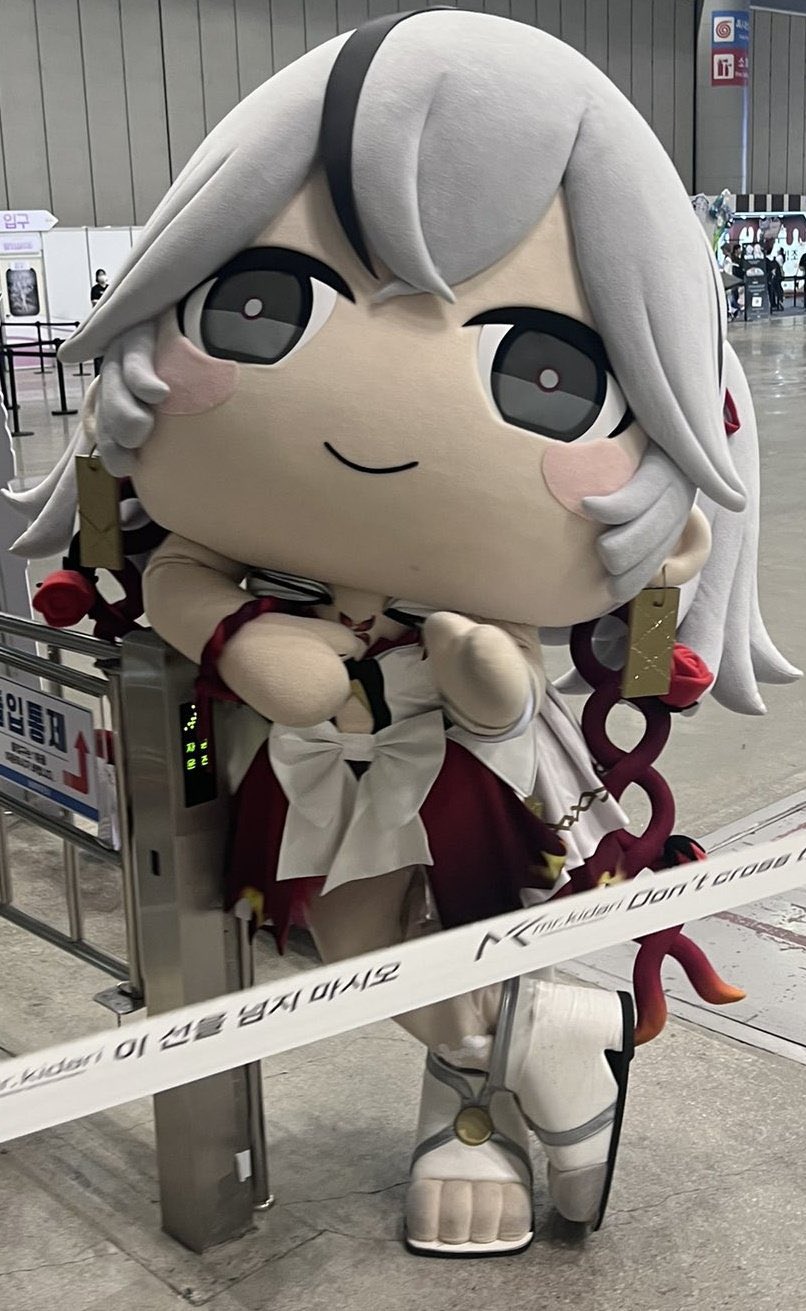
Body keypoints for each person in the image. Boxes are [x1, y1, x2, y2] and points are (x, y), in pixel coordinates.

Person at [7, 10, 799, 1258]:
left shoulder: (525, 591)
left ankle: (470, 1116)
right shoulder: (201, 522)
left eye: (543, 371)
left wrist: (488, 674)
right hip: (318, 770)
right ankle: (538, 1051)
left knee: (488, 917)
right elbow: (173, 576)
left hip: (477, 760)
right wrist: (239, 637)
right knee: (350, 941)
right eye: (263, 305)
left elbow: (518, 677)